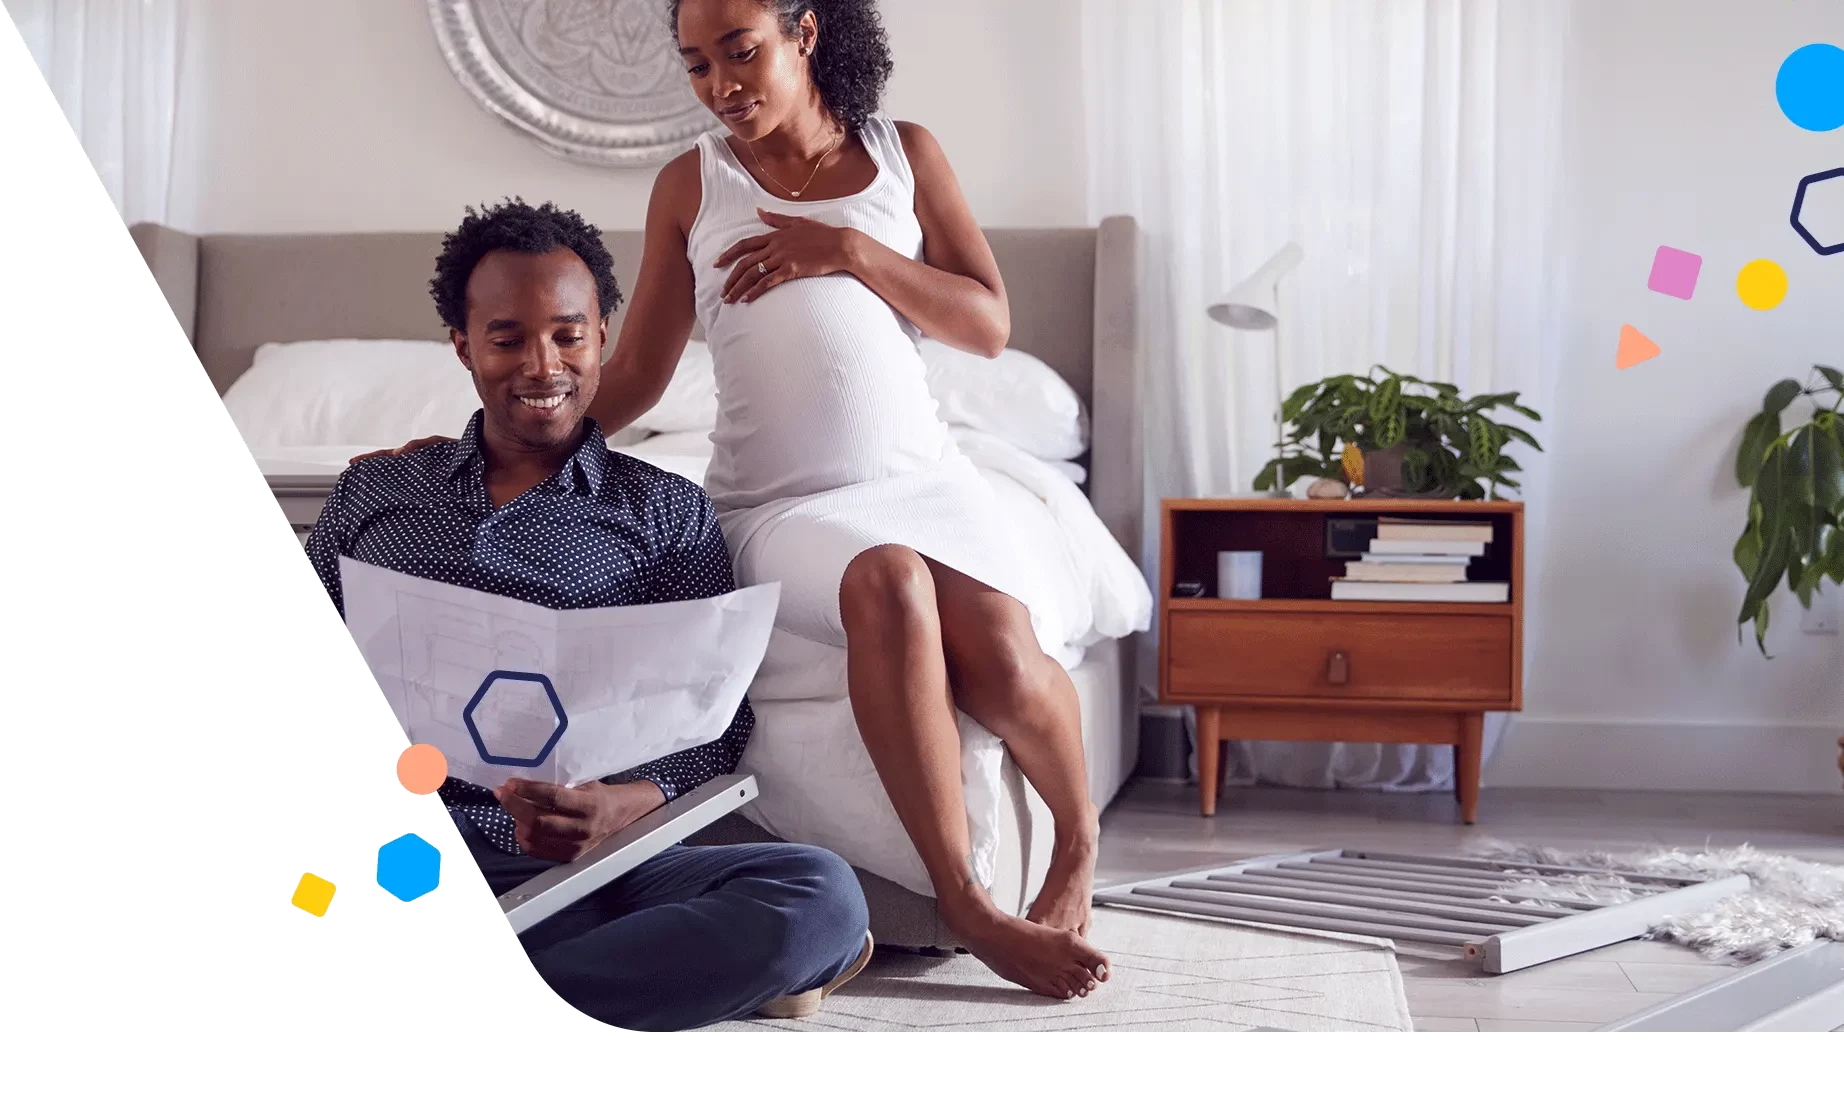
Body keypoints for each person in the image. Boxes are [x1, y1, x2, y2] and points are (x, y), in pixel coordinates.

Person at [362, 0, 1108, 1001]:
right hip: (777, 502)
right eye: (697, 65)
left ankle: (1076, 845)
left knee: (1006, 652)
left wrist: (846, 249)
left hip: (921, 477)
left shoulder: (904, 153)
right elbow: (628, 376)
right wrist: (489, 438)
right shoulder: (692, 184)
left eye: (740, 52)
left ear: (804, 34)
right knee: (886, 581)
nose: (721, 84)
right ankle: (965, 898)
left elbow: (986, 326)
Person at [311, 200, 873, 1032]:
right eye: (507, 339)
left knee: (820, 897)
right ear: (463, 346)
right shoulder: (378, 493)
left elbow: (711, 724)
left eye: (569, 335)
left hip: (594, 858)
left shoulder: (666, 513)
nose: (543, 365)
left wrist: (624, 804)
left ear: (602, 337)